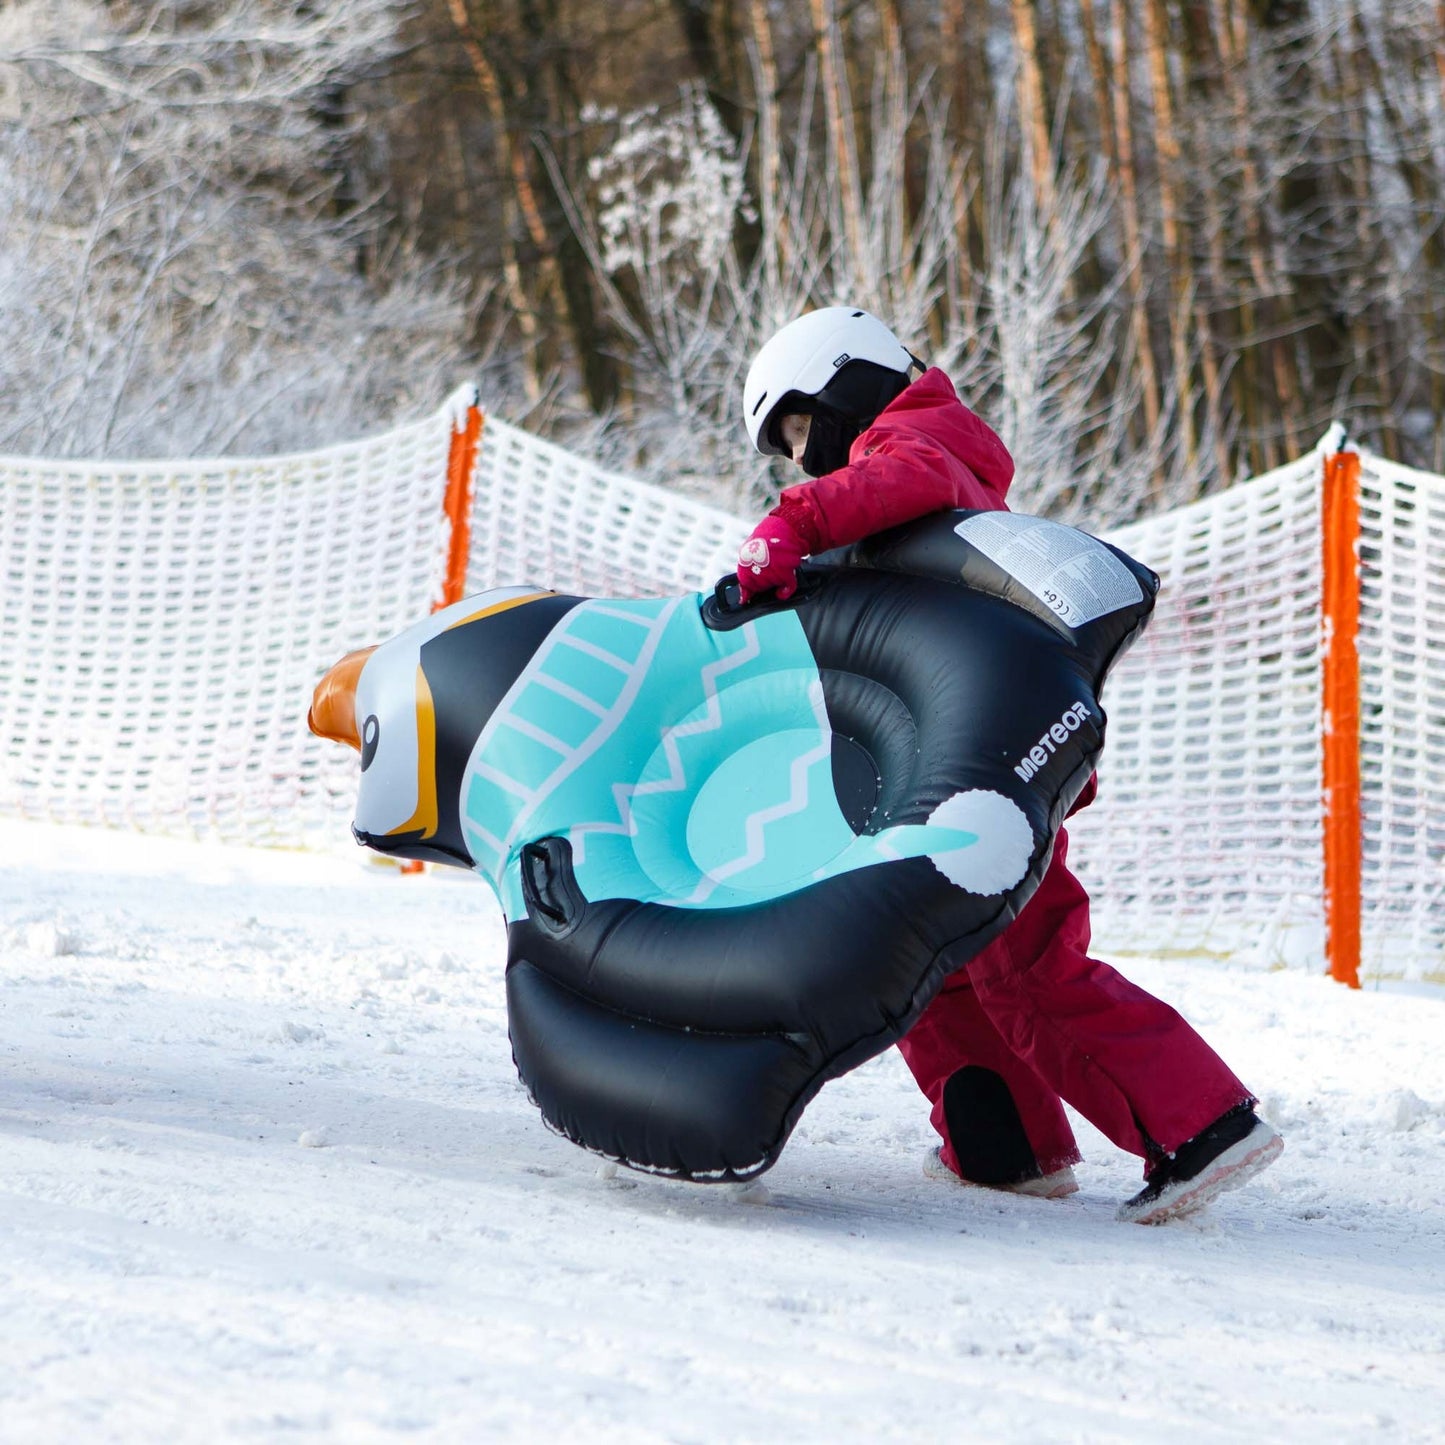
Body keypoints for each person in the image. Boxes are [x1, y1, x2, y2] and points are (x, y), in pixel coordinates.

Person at [736, 305, 1283, 1224]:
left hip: (989, 762)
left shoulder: (921, 444)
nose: (799, 461)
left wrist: (791, 524)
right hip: (939, 763)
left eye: (799, 429)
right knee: (937, 962)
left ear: (842, 383)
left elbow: (892, 482)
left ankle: (1201, 1125)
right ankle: (1006, 1150)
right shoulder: (903, 476)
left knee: (1028, 964)